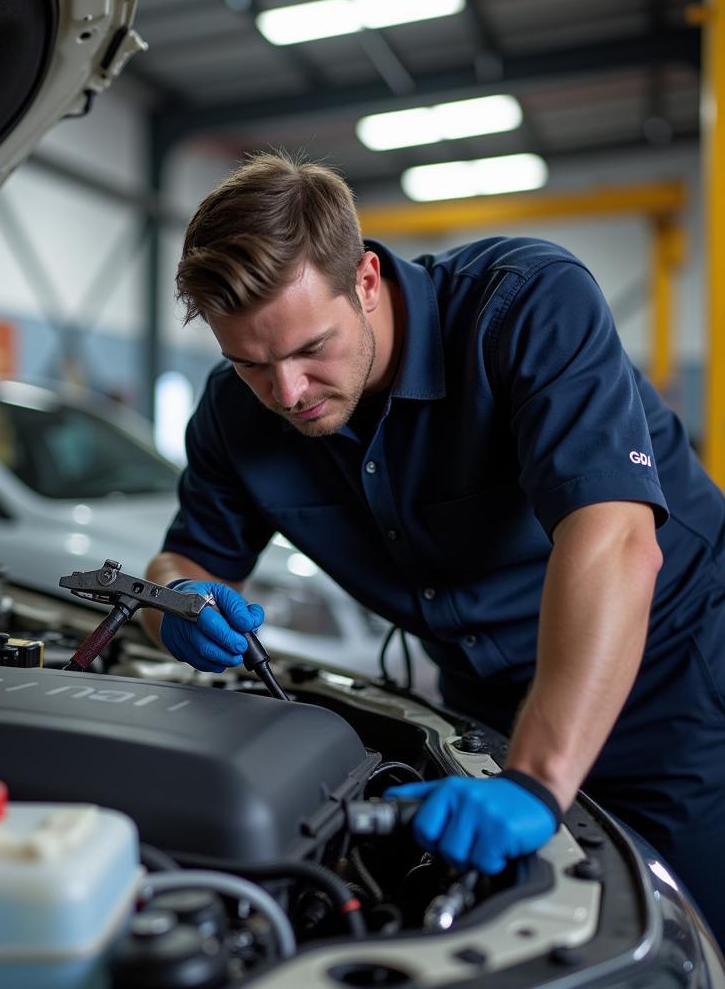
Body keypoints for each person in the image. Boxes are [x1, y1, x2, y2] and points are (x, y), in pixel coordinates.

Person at [141, 151, 725, 945]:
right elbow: (182, 565)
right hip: (482, 700)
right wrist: (178, 607)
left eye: (311, 348)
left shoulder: (525, 306)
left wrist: (536, 783)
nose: (287, 393)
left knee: (676, 933)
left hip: (672, 680)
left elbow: (616, 542)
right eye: (250, 363)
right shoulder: (231, 418)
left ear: (368, 281)